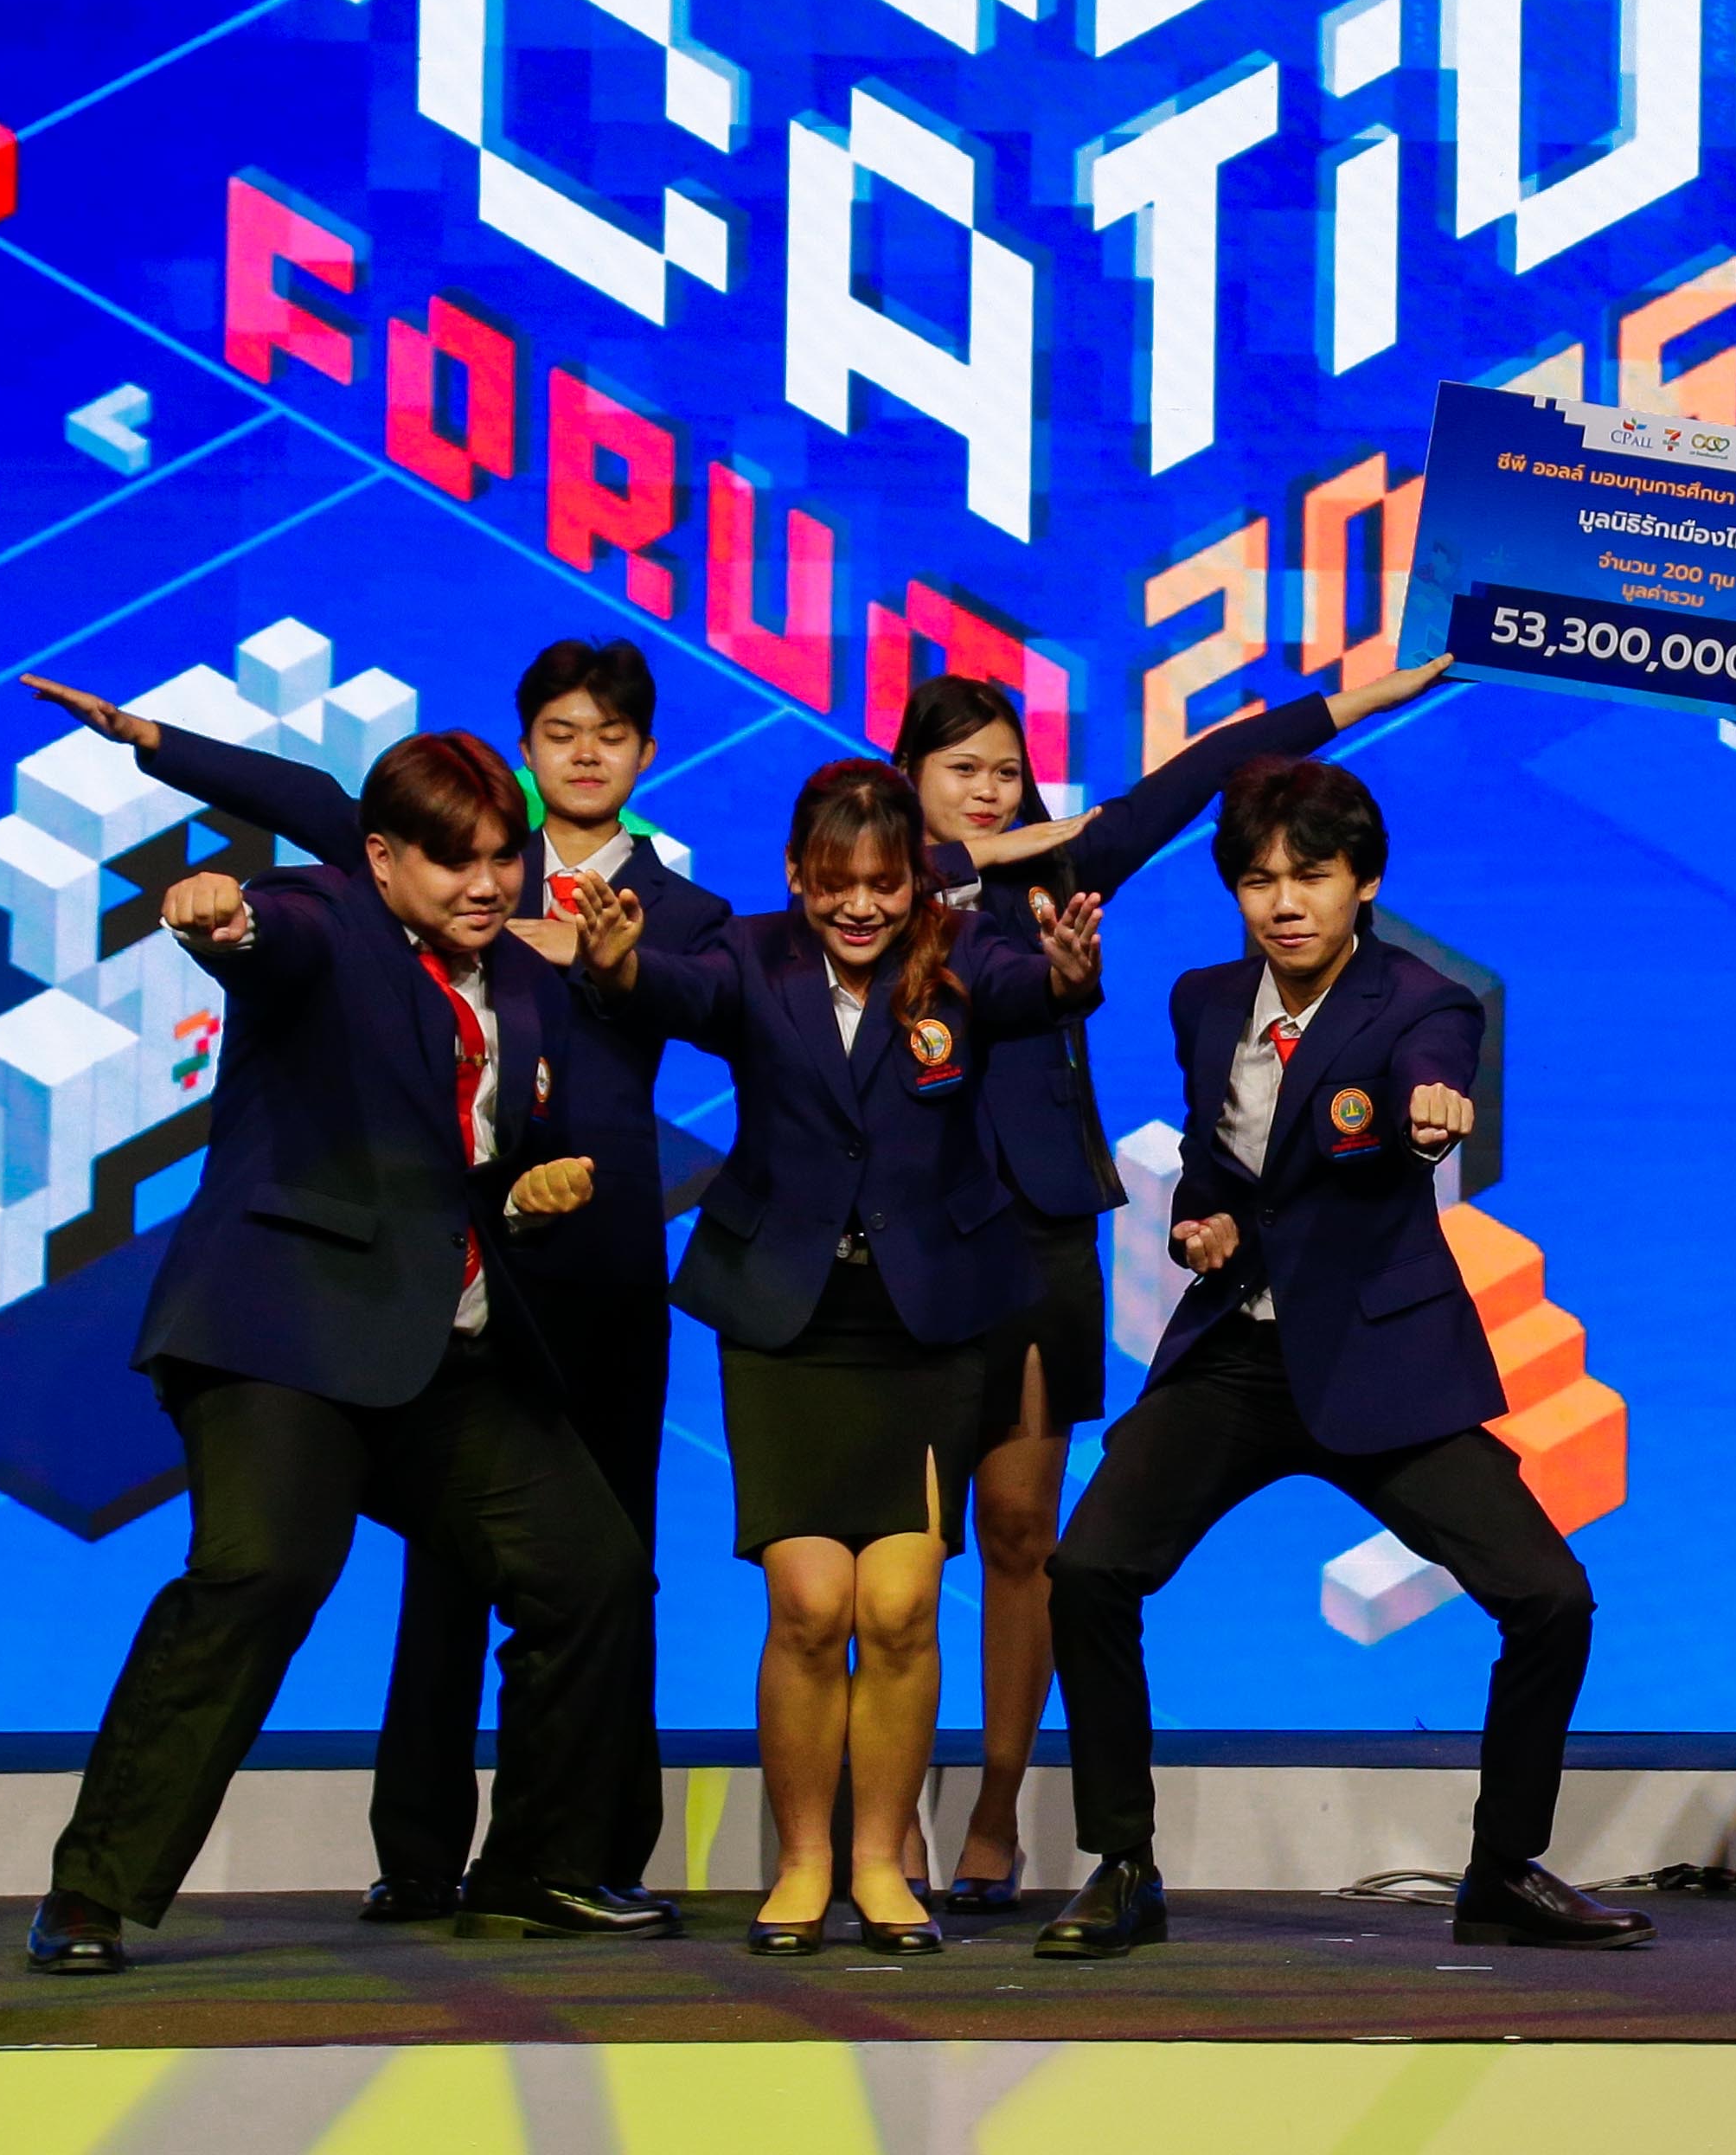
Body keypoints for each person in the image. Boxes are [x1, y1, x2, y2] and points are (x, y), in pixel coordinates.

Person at [21, 638, 725, 1921]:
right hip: (282, 1344)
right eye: (455, 861)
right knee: (263, 1576)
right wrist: (221, 919)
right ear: (384, 858)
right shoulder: (327, 917)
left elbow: (471, 1155)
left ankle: (536, 1866)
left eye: (500, 857)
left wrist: (528, 1193)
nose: (487, 882)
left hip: (442, 1356)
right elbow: (267, 938)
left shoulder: (528, 980)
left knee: (595, 1575)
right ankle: (93, 1895)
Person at [1033, 755, 1646, 1962]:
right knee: (1088, 1571)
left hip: (1379, 1362)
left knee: (1550, 1599)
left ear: (1364, 881)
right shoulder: (1205, 1002)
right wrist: (1198, 1222)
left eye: (1311, 875)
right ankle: (1123, 1866)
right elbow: (1213, 1168)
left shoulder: (1424, 1001)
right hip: (1237, 1354)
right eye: (1259, 880)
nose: (1285, 903)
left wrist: (1434, 1110)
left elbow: (1429, 1077)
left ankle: (1502, 1869)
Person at [886, 652, 1450, 1911]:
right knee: (904, 1560)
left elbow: (1202, 772)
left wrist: (1372, 696)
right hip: (914, 1246)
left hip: (1039, 1241)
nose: (989, 790)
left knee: (1025, 1539)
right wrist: (973, 861)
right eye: (961, 769)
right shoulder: (880, 885)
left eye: (1006, 771)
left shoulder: (1061, 873)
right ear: (908, 777)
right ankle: (889, 1825)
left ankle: (995, 1810)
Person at [575, 765, 1089, 1955]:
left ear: (918, 881)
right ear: (798, 876)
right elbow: (675, 989)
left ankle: (880, 1863)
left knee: (900, 1608)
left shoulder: (964, 954)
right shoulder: (751, 957)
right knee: (810, 1605)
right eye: (836, 882)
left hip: (925, 1325)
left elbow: (1034, 993)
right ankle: (806, 1860)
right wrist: (615, 967)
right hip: (785, 1323)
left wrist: (1070, 974)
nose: (861, 905)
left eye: (884, 883)